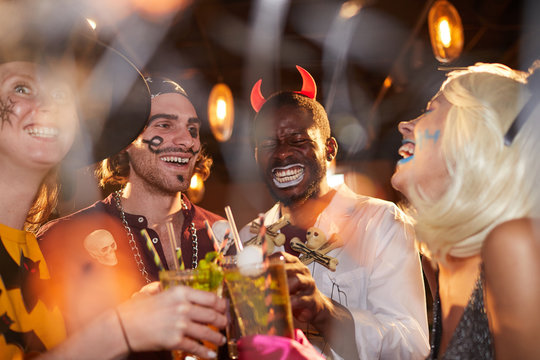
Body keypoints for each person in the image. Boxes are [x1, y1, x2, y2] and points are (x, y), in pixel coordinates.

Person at [0, 1, 226, 359]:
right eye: (22, 88)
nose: (49, 105)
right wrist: (123, 329)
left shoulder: (29, 255)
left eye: (62, 93)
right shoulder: (57, 243)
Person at [239, 66, 429, 360]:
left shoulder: (381, 222)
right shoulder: (247, 238)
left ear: (329, 149)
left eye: (299, 140)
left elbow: (411, 347)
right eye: (267, 144)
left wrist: (324, 312)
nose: (282, 153)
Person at [37, 76, 233, 357]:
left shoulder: (226, 237)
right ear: (127, 140)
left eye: (193, 129)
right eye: (165, 125)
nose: (186, 141)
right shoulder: (60, 241)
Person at [391, 62, 540, 359]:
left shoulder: (516, 244)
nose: (404, 125)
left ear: (472, 134)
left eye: (431, 111)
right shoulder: (438, 261)